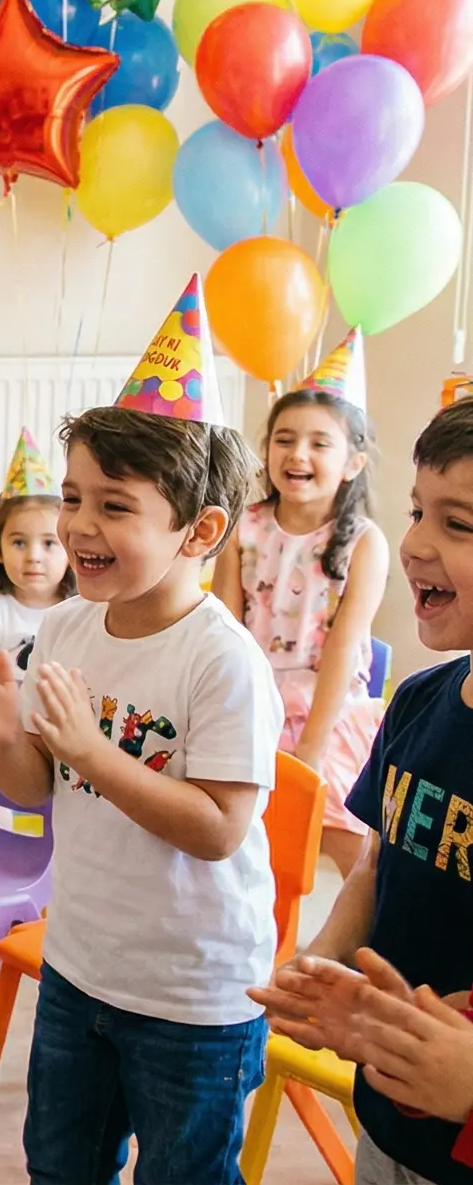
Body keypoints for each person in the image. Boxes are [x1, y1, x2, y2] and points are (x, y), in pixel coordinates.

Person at [0, 279, 279, 1185]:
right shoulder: (70, 625)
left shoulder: (222, 662)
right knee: (61, 1166)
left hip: (194, 997)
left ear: (199, 530)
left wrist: (94, 750)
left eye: (114, 508)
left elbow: (217, 829)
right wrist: (5, 737)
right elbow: (34, 790)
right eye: (75, 498)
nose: (78, 527)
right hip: (82, 965)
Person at [250, 387, 473, 1185]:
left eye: (458, 524)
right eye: (417, 511)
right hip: (385, 1123)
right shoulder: (419, 702)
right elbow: (376, 869)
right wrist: (321, 963)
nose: (411, 544)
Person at [215, 331, 387, 876]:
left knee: (349, 838)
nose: (298, 454)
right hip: (252, 698)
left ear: (353, 463)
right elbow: (221, 626)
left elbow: (342, 649)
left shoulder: (364, 541)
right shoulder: (243, 525)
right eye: (285, 439)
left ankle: (365, 946)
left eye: (319, 442)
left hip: (328, 712)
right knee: (234, 827)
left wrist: (311, 745)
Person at [0, 427, 75, 666]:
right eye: (19, 542)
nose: (34, 556)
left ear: (70, 549)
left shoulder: (81, 611)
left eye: (49, 543)